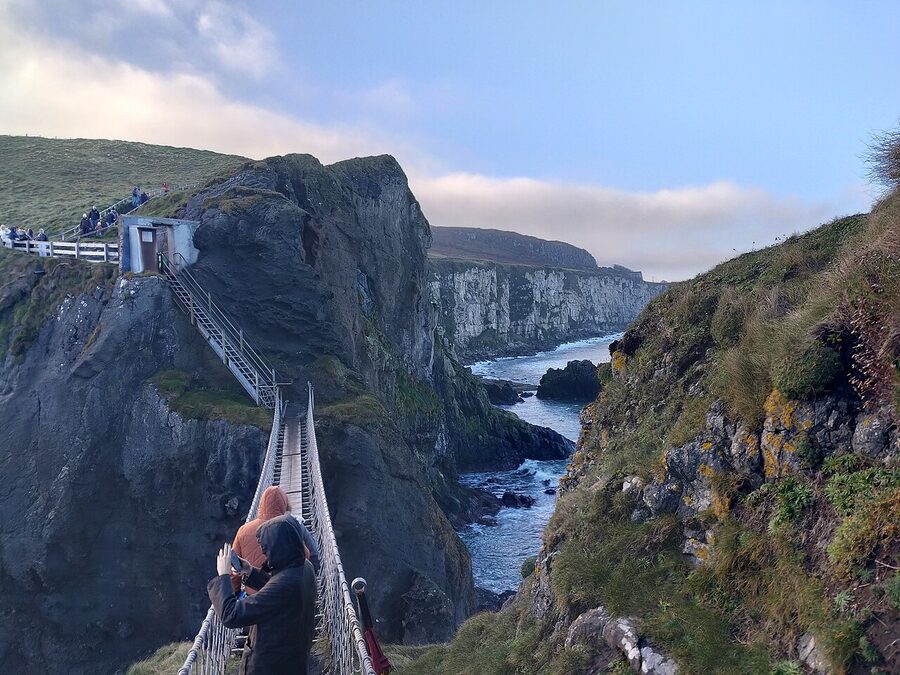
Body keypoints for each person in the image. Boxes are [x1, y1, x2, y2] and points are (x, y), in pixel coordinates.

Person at [208, 515, 317, 675]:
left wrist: (224, 576)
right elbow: (279, 590)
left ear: (279, 549)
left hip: (270, 665)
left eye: (267, 549)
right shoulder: (305, 567)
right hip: (293, 659)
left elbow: (231, 615)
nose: (266, 555)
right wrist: (250, 571)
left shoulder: (284, 585)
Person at [231, 486, 320, 594]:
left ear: (261, 505)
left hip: (255, 599)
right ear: (285, 505)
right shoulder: (293, 526)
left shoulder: (243, 531)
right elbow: (313, 556)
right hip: (292, 596)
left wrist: (235, 592)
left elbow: (235, 568)